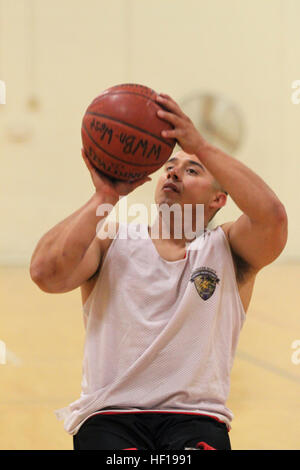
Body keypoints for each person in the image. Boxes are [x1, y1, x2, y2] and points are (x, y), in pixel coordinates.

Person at [30, 93, 288, 450]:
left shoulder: (229, 249)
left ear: (218, 199)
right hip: (108, 417)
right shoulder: (111, 236)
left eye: (192, 169)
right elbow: (45, 274)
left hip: (196, 420)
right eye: (170, 166)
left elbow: (272, 217)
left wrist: (201, 145)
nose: (174, 172)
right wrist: (103, 195)